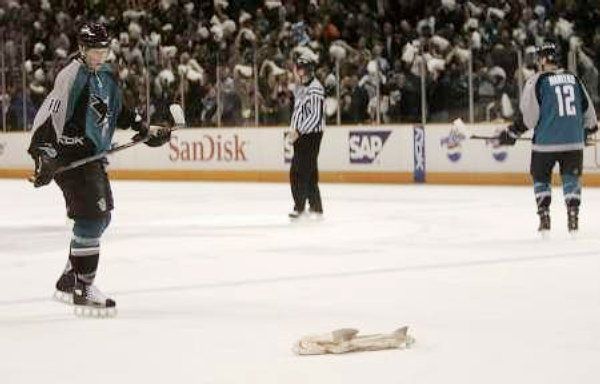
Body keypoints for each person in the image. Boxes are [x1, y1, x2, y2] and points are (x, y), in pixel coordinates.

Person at [27, 22, 171, 316]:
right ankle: (82, 286)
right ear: (82, 49)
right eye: (94, 50)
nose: (100, 55)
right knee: (92, 218)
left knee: (100, 219)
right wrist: (44, 155)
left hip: (92, 158)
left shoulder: (107, 74)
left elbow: (117, 110)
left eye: (104, 49)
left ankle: (70, 278)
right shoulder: (72, 76)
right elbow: (48, 116)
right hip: (70, 158)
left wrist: (143, 128)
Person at [497, 43, 598, 235]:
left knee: (541, 176)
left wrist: (512, 133)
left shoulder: (537, 81)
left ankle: (544, 217)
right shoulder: (574, 78)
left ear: (543, 60)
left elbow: (529, 117)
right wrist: (588, 130)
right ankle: (573, 216)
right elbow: (589, 113)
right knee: (571, 178)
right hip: (574, 142)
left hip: (545, 144)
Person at [288, 51, 325, 219]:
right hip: (301, 134)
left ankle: (300, 207)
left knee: (298, 171)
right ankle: (315, 206)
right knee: (309, 172)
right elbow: (298, 111)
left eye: (301, 69)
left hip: (310, 135)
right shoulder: (302, 87)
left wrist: (299, 131)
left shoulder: (315, 89)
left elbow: (316, 116)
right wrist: (293, 129)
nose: (298, 71)